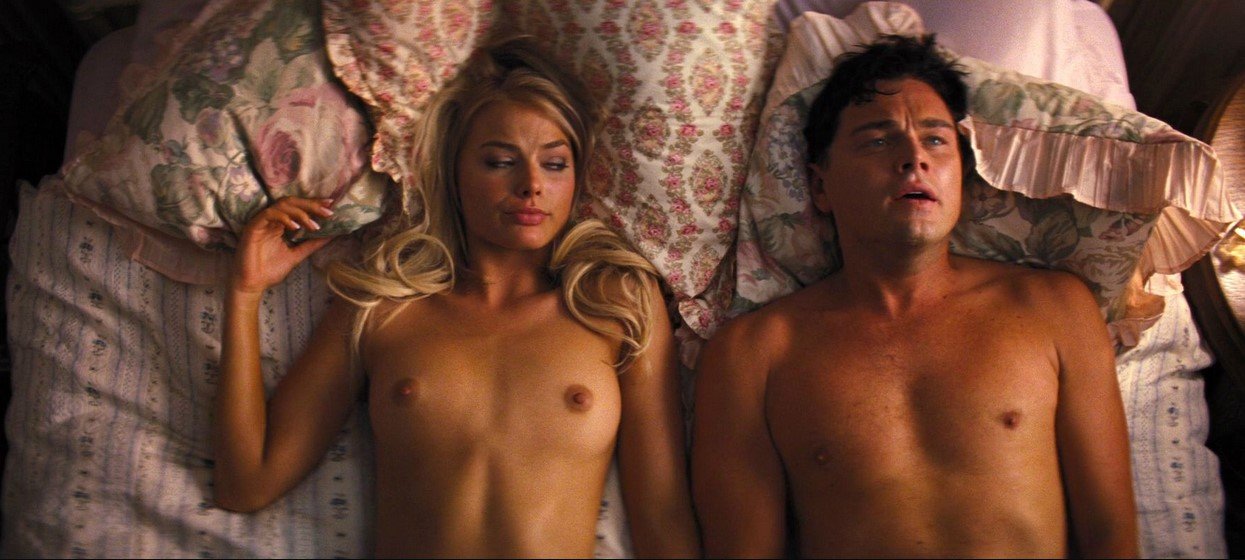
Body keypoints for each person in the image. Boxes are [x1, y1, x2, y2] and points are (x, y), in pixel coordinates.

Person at [212, 34, 699, 558]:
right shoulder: (381, 307)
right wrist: (245, 293)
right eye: (500, 161)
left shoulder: (617, 304)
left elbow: (661, 517)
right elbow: (247, 484)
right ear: (454, 172)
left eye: (555, 164)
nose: (531, 185)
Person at [690, 34, 1138, 558]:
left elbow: (1110, 535)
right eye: (878, 141)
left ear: (963, 175)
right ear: (820, 186)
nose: (914, 159)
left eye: (936, 140)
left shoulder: (1054, 309)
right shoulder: (753, 354)